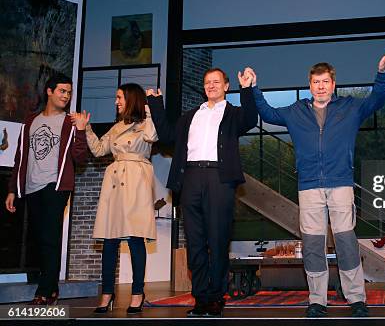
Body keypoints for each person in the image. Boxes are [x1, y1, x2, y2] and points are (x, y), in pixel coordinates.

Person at [249, 54, 385, 318]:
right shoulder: (296, 111)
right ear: (310, 85)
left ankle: (356, 298)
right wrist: (254, 88)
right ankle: (317, 300)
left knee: (346, 242)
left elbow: (377, 100)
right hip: (309, 186)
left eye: (325, 81)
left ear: (333, 84)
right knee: (313, 244)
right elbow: (267, 113)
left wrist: (382, 74)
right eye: (316, 82)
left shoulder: (350, 108)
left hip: (340, 184)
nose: (321, 86)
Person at [146, 68, 257, 317]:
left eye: (216, 82)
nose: (211, 86)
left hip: (220, 178)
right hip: (191, 178)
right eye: (207, 82)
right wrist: (155, 103)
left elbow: (251, 119)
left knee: (218, 241)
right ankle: (201, 298)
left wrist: (248, 89)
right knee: (195, 242)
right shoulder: (190, 116)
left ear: (226, 86)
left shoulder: (233, 114)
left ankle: (216, 297)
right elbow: (166, 135)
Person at [72, 83, 158, 314]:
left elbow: (152, 135)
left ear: (131, 99)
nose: (116, 102)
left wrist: (149, 108)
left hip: (136, 182)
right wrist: (86, 128)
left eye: (119, 97)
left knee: (135, 239)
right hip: (114, 183)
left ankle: (137, 293)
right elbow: (99, 150)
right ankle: (107, 293)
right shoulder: (117, 127)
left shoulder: (145, 123)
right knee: (109, 241)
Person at [5, 73, 88, 305]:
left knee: (50, 237)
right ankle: (50, 289)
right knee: (40, 239)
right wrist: (13, 189)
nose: (66, 96)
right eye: (62, 91)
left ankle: (44, 290)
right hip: (32, 187)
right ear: (49, 92)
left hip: (56, 185)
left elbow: (79, 158)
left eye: (69, 92)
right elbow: (20, 157)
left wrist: (80, 131)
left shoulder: (70, 122)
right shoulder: (30, 121)